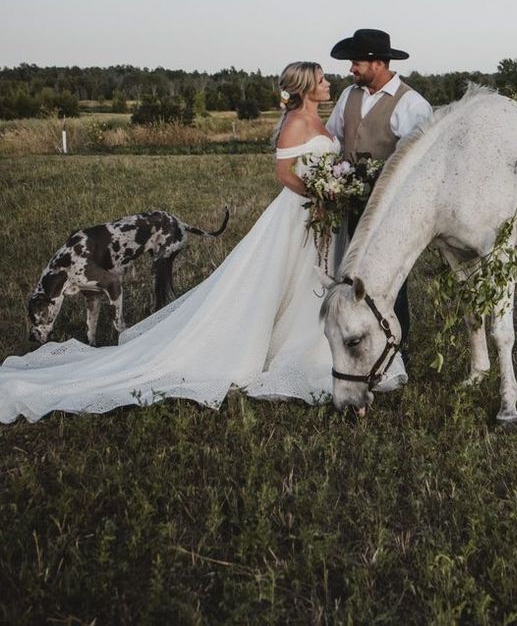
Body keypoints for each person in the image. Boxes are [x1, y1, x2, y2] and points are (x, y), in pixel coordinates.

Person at [0, 62, 407, 424]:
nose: (328, 83)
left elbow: (331, 158)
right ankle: (280, 350)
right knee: (279, 281)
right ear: (304, 87)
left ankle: (313, 346)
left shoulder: (323, 119)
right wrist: (321, 193)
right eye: (321, 79)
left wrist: (335, 188)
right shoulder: (295, 123)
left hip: (322, 218)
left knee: (312, 283)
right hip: (297, 214)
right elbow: (284, 174)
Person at [326, 29, 433, 348]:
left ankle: (395, 350)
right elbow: (333, 138)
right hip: (350, 202)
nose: (351, 69)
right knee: (349, 273)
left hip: (390, 210)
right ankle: (355, 340)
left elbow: (419, 165)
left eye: (356, 62)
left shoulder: (412, 104)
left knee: (388, 281)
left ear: (376, 63)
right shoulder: (348, 96)